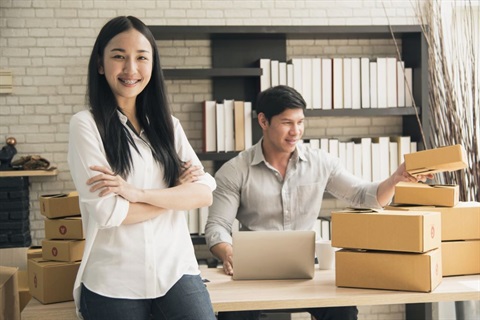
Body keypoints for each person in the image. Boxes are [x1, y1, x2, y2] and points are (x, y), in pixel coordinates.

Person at [205, 85, 433, 320]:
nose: (296, 131)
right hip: (253, 269)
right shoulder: (235, 171)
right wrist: (228, 252)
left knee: (344, 310)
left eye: (300, 122)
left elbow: (364, 196)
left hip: (307, 267)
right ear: (263, 121)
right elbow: (217, 227)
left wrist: (395, 179)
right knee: (233, 315)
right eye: (287, 123)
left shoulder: (321, 163)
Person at [68, 16, 216, 320]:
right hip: (114, 282)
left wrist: (136, 194)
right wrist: (175, 196)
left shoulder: (168, 126)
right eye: (119, 57)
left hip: (176, 272)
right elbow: (109, 214)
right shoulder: (86, 125)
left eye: (141, 58)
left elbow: (203, 194)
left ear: (153, 65)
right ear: (100, 64)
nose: (131, 69)